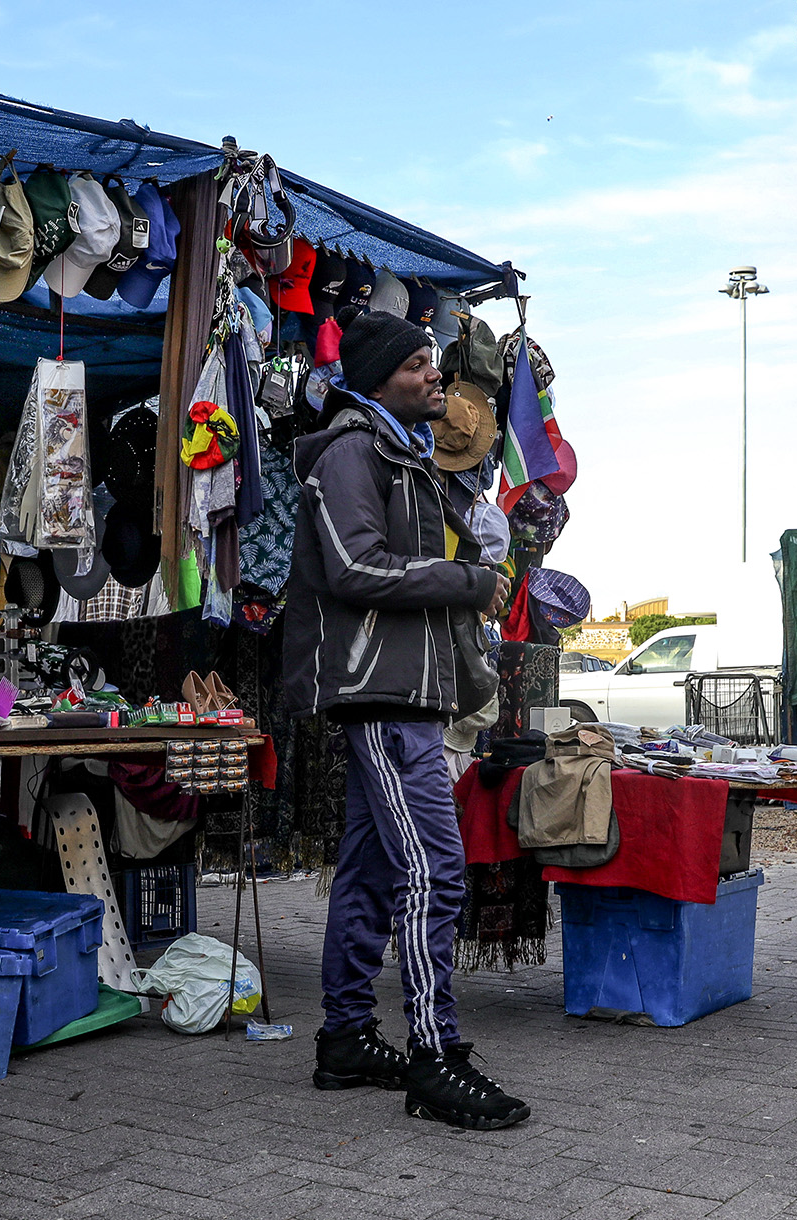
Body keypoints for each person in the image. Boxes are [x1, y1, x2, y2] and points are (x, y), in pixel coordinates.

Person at [282, 306, 526, 1131]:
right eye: (421, 363)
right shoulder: (354, 451)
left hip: (399, 689)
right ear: (382, 373)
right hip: (379, 693)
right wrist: (464, 582)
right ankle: (434, 1056)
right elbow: (356, 566)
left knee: (371, 872)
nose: (435, 375)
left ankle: (345, 1040)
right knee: (434, 871)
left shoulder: (401, 455)